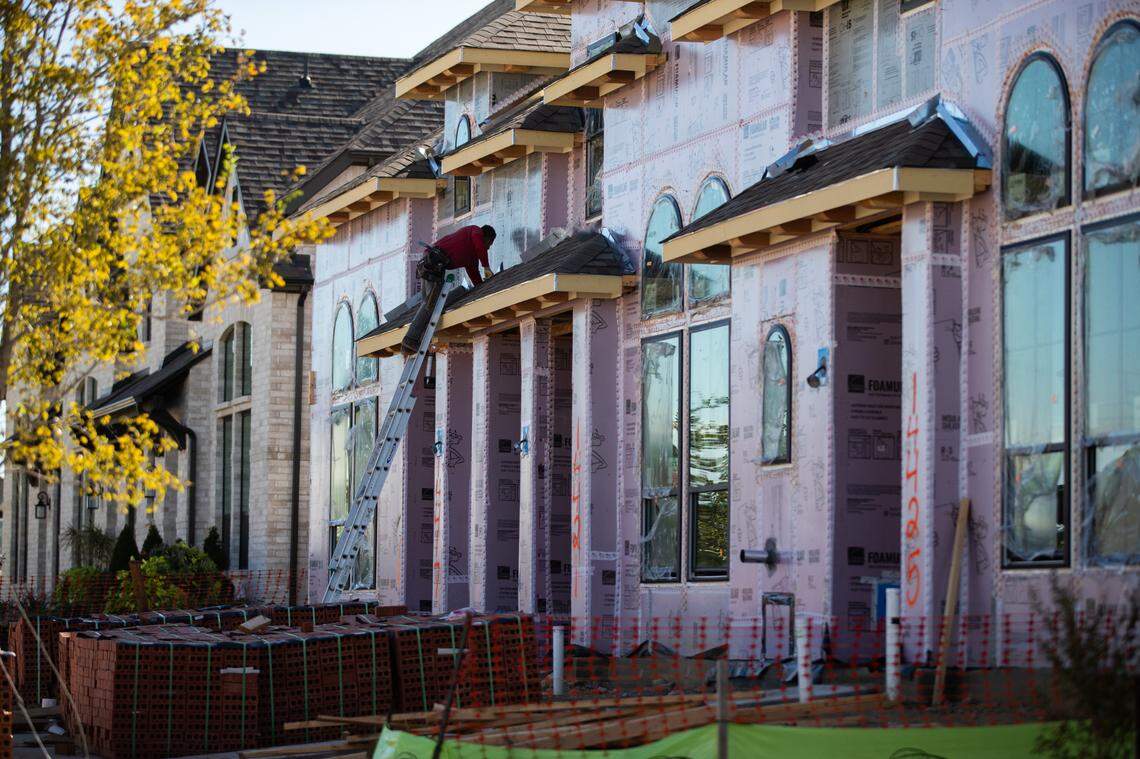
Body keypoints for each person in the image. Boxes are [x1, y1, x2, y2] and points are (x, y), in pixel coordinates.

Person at [400, 224, 496, 353]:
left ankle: (414, 341)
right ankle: (410, 340)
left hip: (433, 264)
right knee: (431, 304)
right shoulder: (475, 231)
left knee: (431, 306)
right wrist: (486, 267)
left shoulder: (471, 256)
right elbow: (480, 246)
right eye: (489, 243)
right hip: (433, 262)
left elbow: (474, 274)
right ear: (485, 237)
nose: (488, 248)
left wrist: (483, 287)